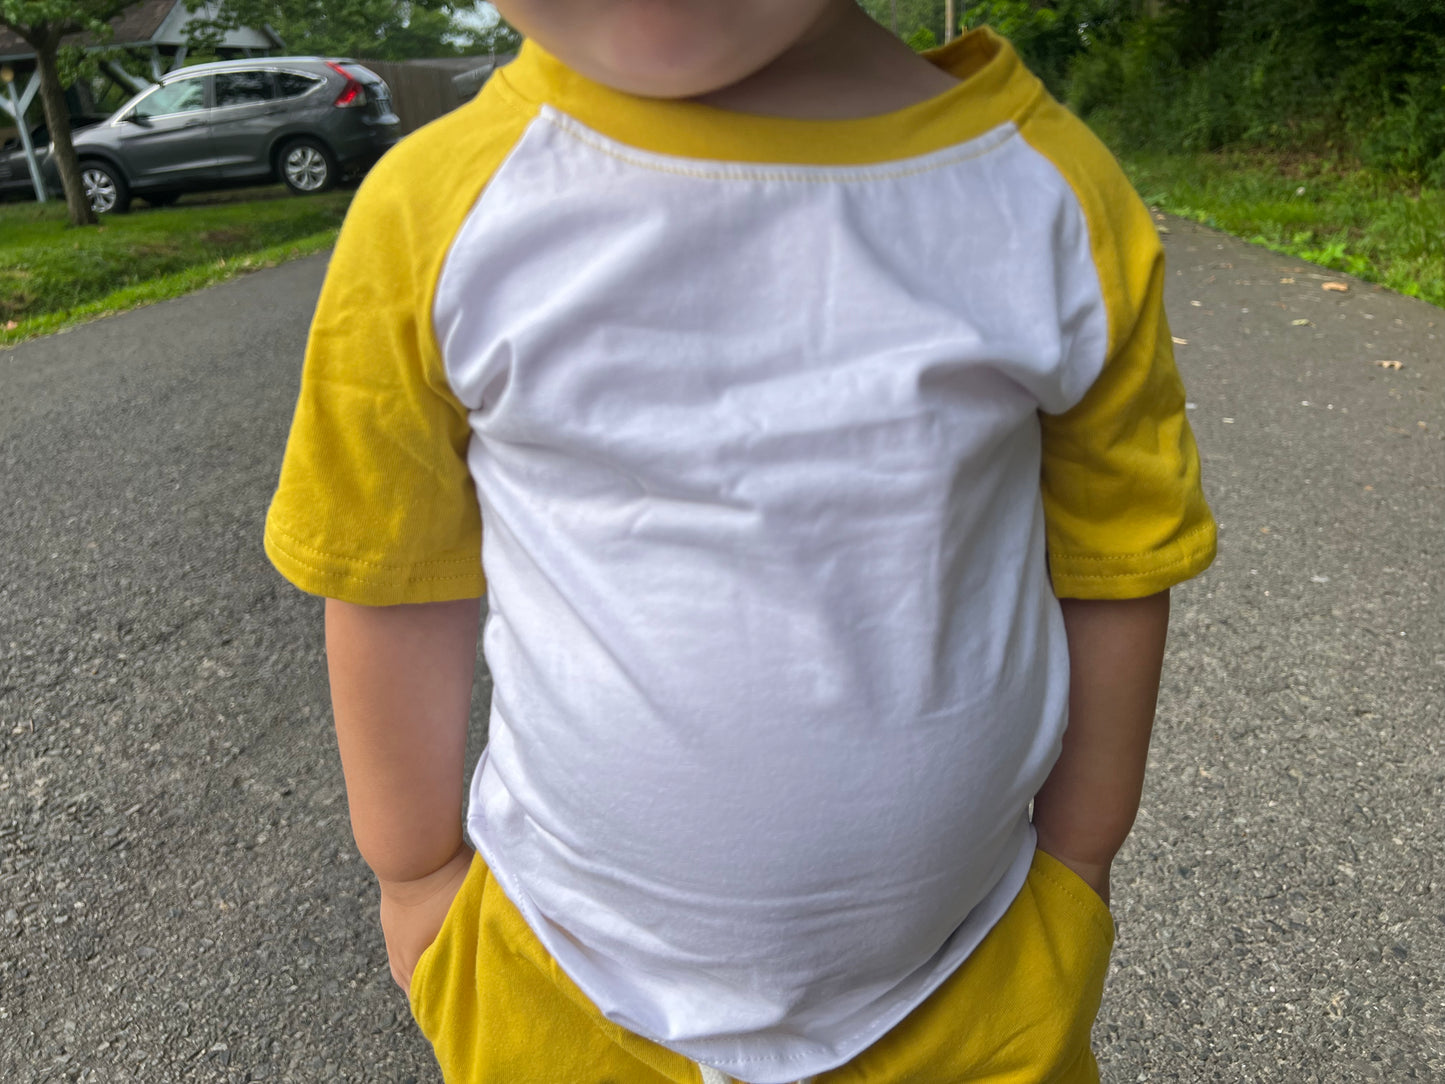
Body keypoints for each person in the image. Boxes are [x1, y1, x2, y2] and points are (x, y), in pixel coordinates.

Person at [264, 2, 1217, 1082]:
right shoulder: (434, 210)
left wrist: (1078, 859)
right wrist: (416, 875)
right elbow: (392, 573)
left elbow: (1114, 560)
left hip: (971, 985)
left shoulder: (1048, 198)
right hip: (559, 987)